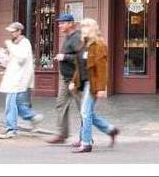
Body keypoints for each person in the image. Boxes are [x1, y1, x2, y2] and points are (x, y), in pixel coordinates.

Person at [70, 18, 119, 153]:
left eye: (86, 27)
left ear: (92, 29)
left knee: (85, 112)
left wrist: (101, 88)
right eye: (82, 27)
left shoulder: (99, 45)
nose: (83, 30)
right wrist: (73, 81)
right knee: (88, 113)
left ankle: (86, 143)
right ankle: (110, 130)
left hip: (93, 84)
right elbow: (79, 67)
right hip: (84, 82)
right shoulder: (83, 45)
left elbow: (102, 69)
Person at [0, 22, 44, 139]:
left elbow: (21, 58)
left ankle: (11, 129)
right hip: (15, 79)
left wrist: (10, 46)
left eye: (13, 31)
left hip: (18, 80)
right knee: (17, 104)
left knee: (10, 104)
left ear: (19, 31)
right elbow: (15, 61)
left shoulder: (24, 43)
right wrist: (3, 64)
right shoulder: (16, 44)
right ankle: (32, 117)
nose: (11, 34)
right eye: (10, 31)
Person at [46, 13, 83, 144]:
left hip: (76, 79)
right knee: (60, 105)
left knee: (83, 109)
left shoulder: (76, 37)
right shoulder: (67, 37)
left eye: (62, 23)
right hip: (65, 79)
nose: (59, 25)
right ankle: (62, 134)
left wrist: (64, 57)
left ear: (70, 23)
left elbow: (83, 58)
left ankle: (85, 137)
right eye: (59, 23)